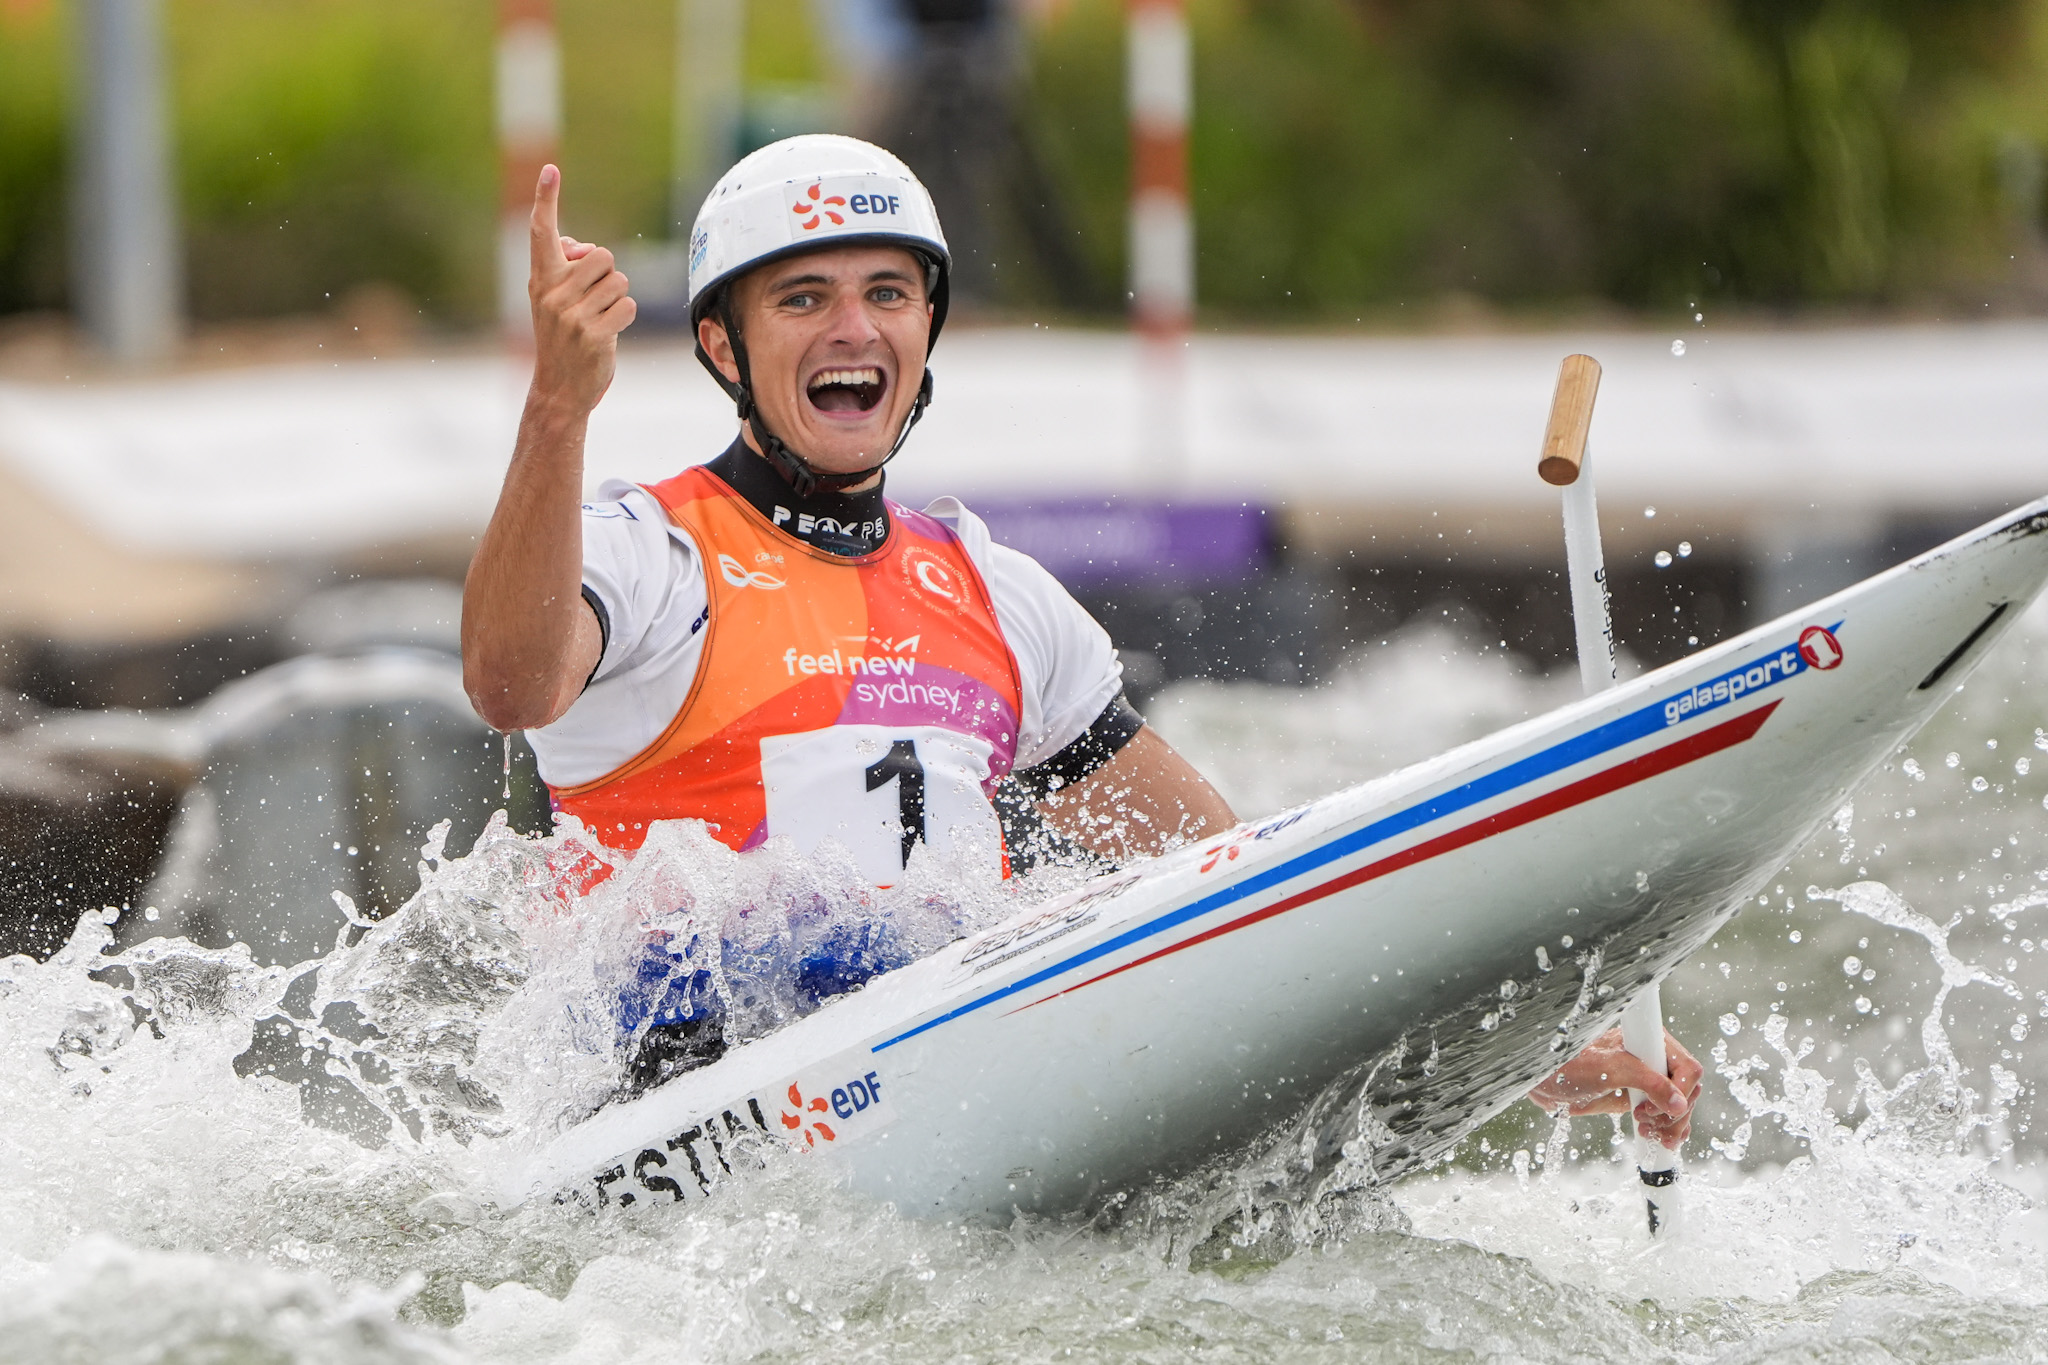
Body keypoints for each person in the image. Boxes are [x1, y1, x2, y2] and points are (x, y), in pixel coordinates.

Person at [458, 134, 1701, 1137]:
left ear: (926, 334)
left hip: (949, 1077)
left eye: (888, 294)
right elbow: (511, 686)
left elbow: (1233, 880)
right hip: (678, 1103)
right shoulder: (647, 548)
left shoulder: (999, 596)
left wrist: (1515, 1046)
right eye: (804, 300)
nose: (854, 329)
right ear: (723, 346)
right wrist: (557, 411)